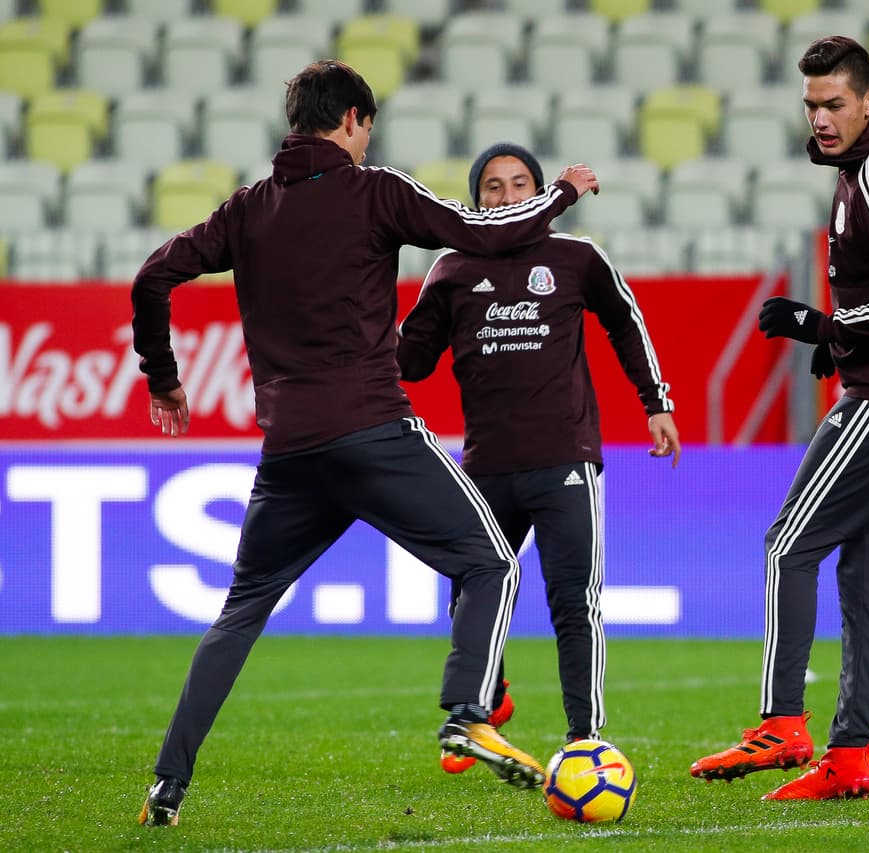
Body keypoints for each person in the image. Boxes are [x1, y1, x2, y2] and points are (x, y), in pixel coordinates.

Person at [132, 61, 601, 827]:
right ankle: (467, 711)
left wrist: (164, 376)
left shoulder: (247, 209)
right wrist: (565, 193)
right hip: (372, 431)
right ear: (352, 118)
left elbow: (153, 276)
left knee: (241, 609)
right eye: (368, 126)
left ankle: (167, 783)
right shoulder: (374, 188)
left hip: (288, 452)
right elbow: (490, 229)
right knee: (489, 562)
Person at [689, 36, 869, 801]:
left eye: (834, 104)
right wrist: (856, 331)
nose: (820, 118)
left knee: (790, 545)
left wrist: (830, 327)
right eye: (812, 105)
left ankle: (782, 722)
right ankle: (850, 755)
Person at [397, 142, 680, 772]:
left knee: (573, 601)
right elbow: (411, 361)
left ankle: (585, 737)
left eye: (518, 182)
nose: (506, 195)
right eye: (492, 187)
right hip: (486, 466)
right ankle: (488, 704)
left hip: (565, 460)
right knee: (471, 593)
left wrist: (655, 401)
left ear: (538, 193)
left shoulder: (576, 257)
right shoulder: (449, 269)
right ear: (476, 201)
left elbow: (625, 321)